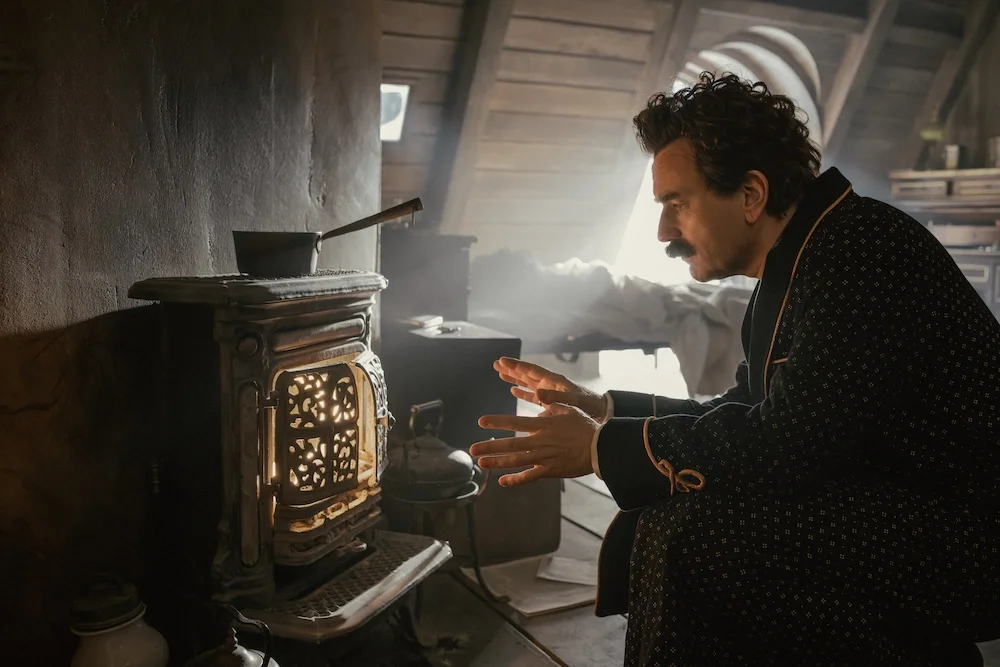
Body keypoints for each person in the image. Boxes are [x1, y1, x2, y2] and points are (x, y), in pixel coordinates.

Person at [469, 72, 1000, 666]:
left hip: (965, 538)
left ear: (750, 195)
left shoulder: (858, 252)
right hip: (895, 508)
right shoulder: (801, 259)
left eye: (678, 203)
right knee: (680, 519)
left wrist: (599, 450)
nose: (664, 231)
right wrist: (601, 410)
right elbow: (749, 411)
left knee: (699, 535)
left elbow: (788, 442)